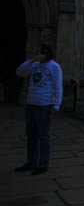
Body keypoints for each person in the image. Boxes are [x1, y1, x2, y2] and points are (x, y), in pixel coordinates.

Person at [14, 43, 62, 175]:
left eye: (40, 52)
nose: (38, 54)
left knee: (43, 136)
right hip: (31, 103)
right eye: (37, 52)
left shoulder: (54, 66)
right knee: (31, 136)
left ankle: (43, 163)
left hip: (44, 105)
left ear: (47, 53)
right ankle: (31, 162)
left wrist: (56, 105)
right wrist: (32, 60)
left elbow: (58, 87)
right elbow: (20, 72)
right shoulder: (34, 65)